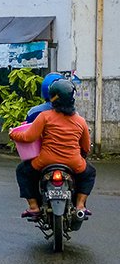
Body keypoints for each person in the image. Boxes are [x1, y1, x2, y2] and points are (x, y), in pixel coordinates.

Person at [9, 79, 96, 218]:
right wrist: (82, 155)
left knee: (23, 171)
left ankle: (33, 207)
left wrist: (13, 133)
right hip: (74, 163)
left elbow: (29, 137)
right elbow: (85, 146)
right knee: (90, 172)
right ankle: (80, 205)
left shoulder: (45, 116)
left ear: (52, 97)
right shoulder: (81, 121)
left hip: (45, 161)